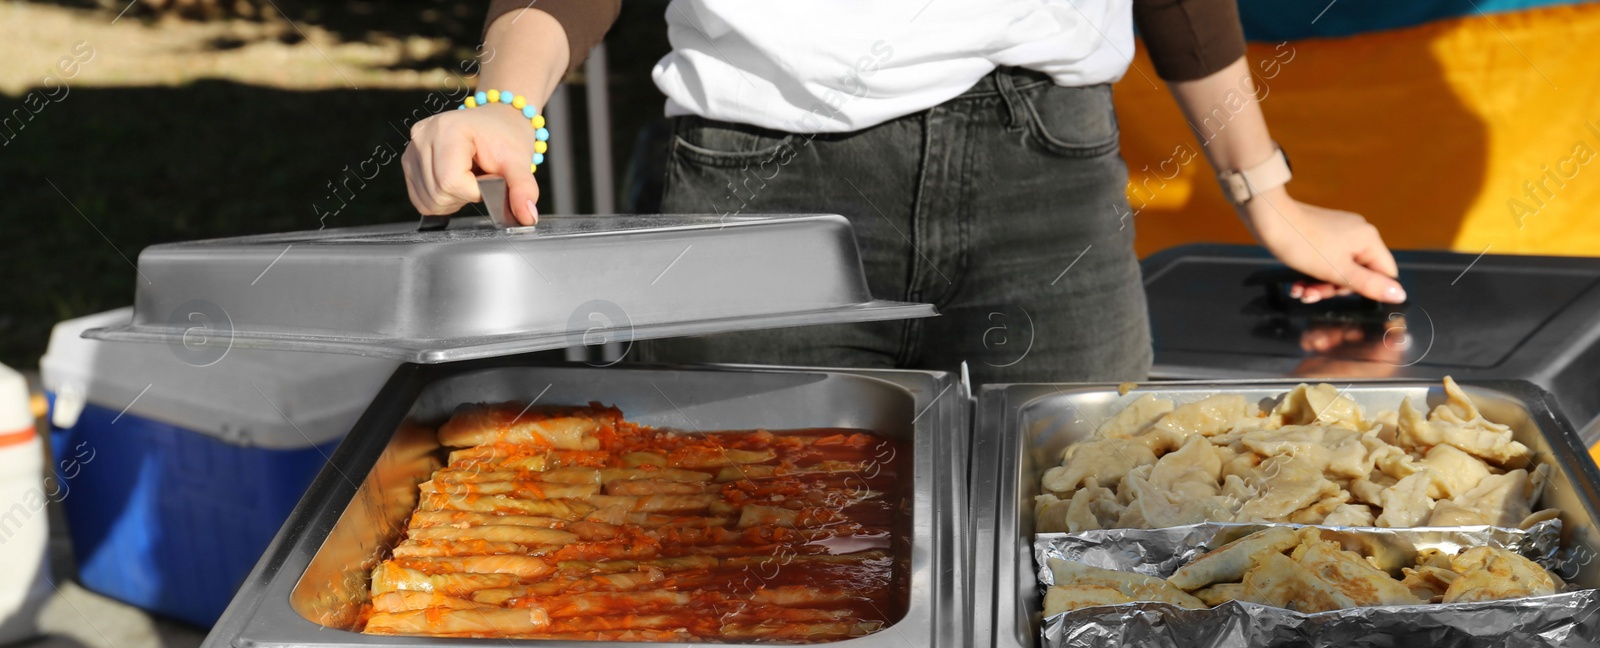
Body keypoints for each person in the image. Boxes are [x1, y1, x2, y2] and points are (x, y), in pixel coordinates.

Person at [403, 0, 1406, 383]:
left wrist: (1265, 194)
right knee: (745, 558)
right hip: (758, 194)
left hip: (1043, 178)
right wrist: (504, 105)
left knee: (1082, 552)